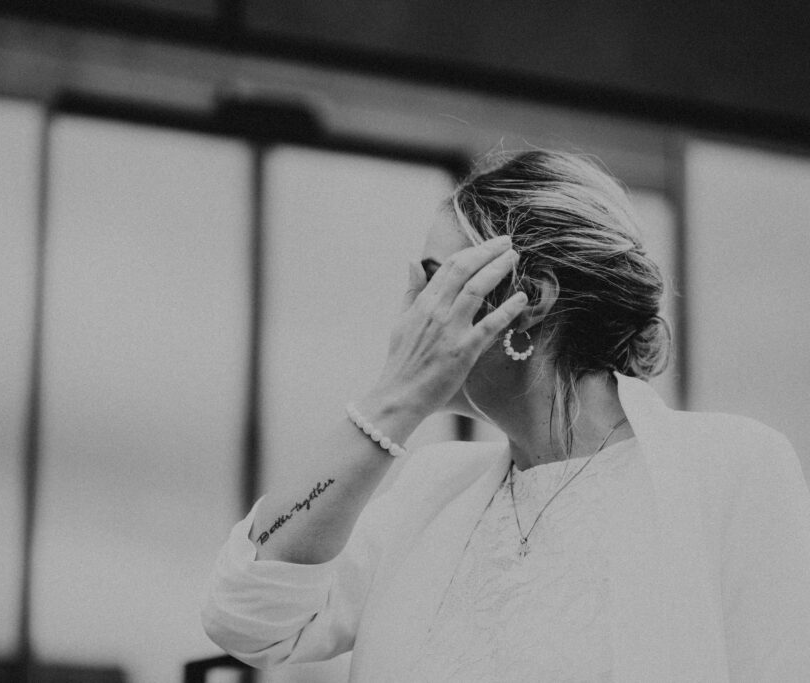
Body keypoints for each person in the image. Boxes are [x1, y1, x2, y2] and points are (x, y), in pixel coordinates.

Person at [201, 150, 810, 681]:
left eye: (439, 281)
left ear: (529, 298)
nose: (414, 315)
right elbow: (248, 618)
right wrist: (394, 397)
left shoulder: (729, 468)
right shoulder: (433, 490)